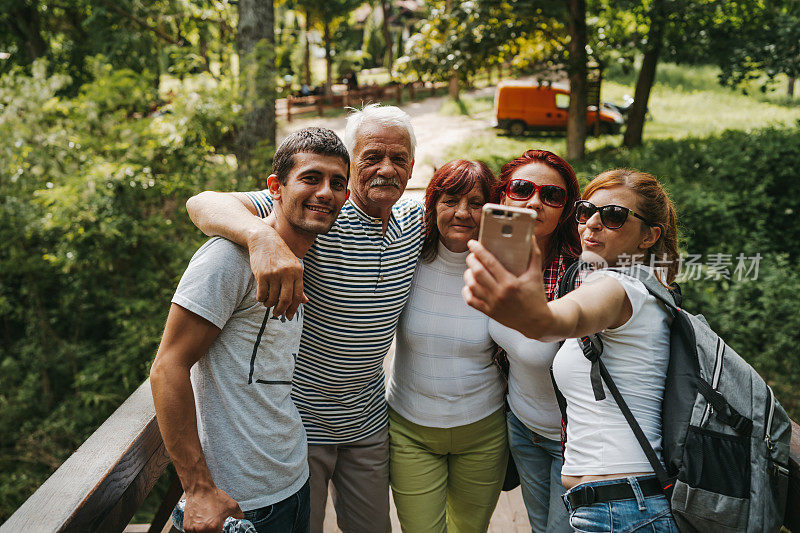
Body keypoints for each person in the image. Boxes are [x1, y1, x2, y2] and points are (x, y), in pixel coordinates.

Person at [184, 103, 421, 533]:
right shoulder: (317, 212)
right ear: (353, 166)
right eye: (371, 157)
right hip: (300, 428)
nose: (386, 168)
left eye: (399, 158)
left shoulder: (417, 224)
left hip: (368, 422)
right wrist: (260, 238)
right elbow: (202, 203)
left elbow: (471, 210)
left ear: (411, 166)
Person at [150, 127, 351, 533]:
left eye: (338, 183)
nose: (326, 192)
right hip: (238, 504)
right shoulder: (228, 258)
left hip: (292, 479)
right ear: (276, 188)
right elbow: (167, 367)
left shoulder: (298, 256)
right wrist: (199, 489)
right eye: (311, 178)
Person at [463, 168, 681, 532]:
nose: (592, 224)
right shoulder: (637, 286)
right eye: (586, 211)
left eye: (613, 216)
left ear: (649, 236)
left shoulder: (620, 289)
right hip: (618, 502)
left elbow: (559, 319)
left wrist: (534, 310)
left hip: (622, 509)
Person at [386, 160, 507, 533]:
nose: (462, 213)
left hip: (484, 433)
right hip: (410, 432)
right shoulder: (406, 257)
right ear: (432, 203)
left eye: (475, 202)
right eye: (450, 200)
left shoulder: (505, 268)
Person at [486, 150, 580, 533]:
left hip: (572, 442)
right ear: (504, 195)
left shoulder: (581, 272)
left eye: (552, 196)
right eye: (523, 188)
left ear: (566, 210)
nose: (535, 202)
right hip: (521, 428)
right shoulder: (493, 259)